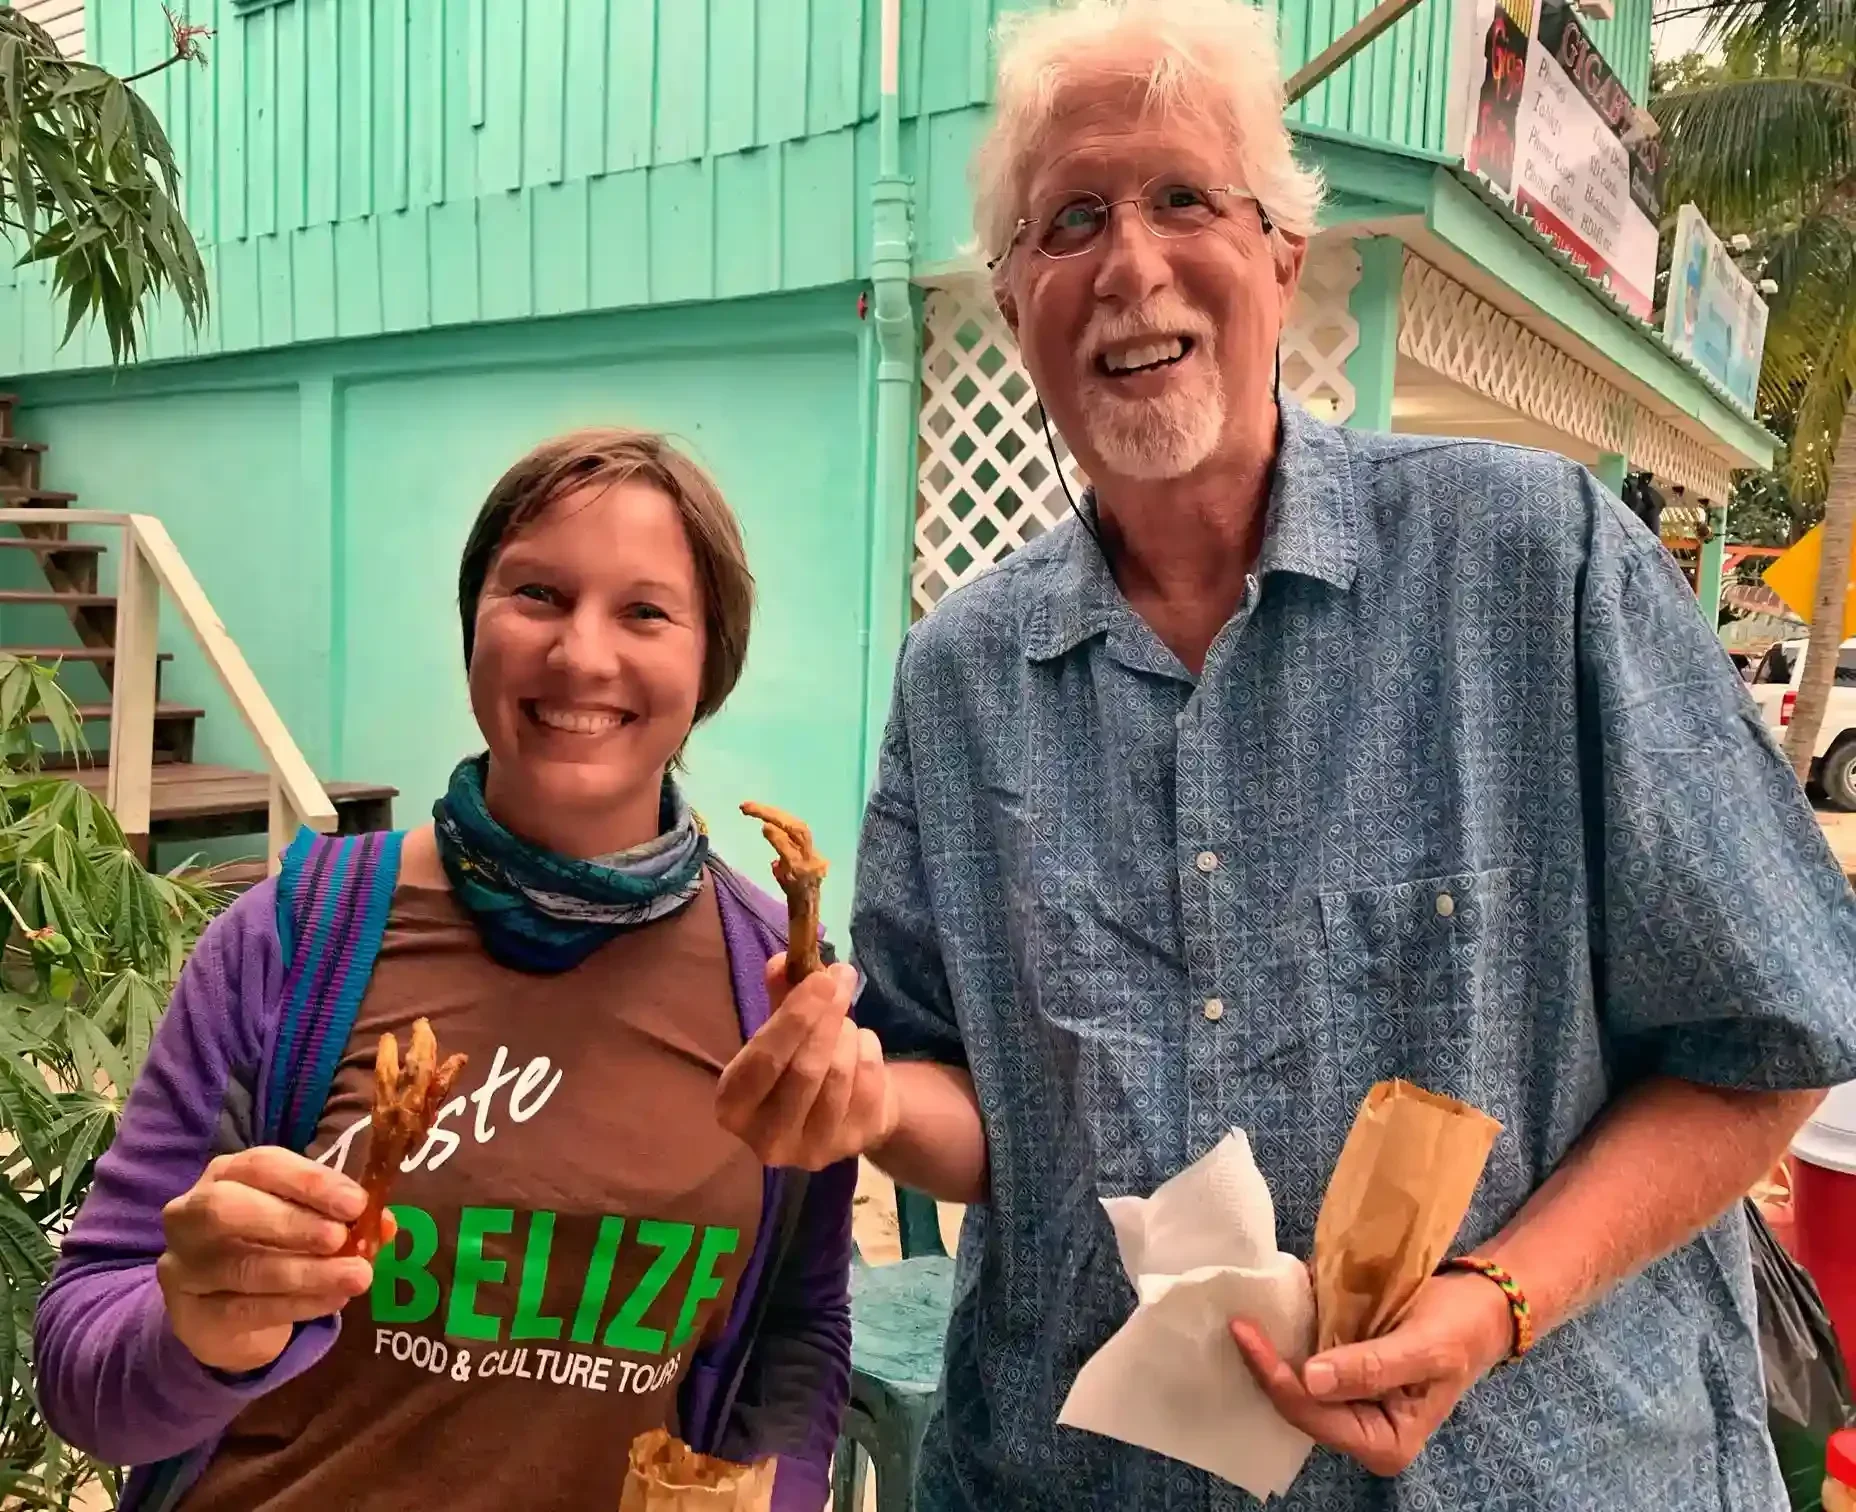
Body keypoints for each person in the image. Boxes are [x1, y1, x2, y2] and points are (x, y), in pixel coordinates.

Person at [715, 1, 1856, 1508]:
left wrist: (1496, 1301)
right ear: (1013, 301)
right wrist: (866, 1104)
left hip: (1534, 1467)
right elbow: (964, 1093)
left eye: (1185, 198)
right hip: (1082, 1474)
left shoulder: (1539, 562)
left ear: (1281, 257)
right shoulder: (965, 676)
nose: (1130, 266)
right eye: (1069, 222)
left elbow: (1769, 1040)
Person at [36, 429, 856, 1512]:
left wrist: (779, 1493)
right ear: (473, 622)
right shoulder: (294, 938)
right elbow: (83, 1370)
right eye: (537, 595)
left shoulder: (777, 988)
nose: (581, 655)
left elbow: (794, 1336)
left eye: (645, 612)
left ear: (711, 661)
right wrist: (193, 1330)